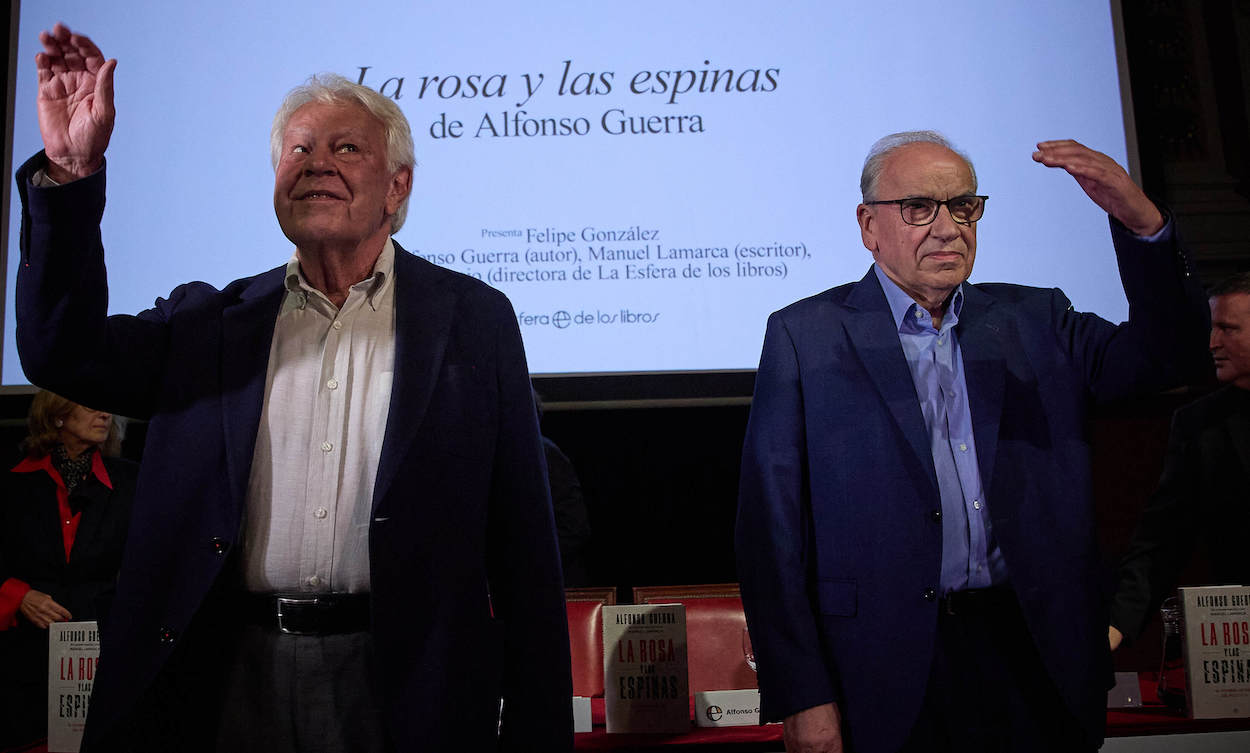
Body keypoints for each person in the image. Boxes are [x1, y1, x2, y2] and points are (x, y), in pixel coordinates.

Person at [15, 24, 571, 753]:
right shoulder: (208, 322)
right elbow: (62, 352)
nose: (316, 165)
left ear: (397, 186)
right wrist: (69, 173)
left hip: (407, 685)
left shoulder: (472, 321)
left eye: (346, 148)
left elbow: (525, 550)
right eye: (299, 149)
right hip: (224, 674)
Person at [735, 130, 1210, 753]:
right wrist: (802, 692)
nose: (946, 227)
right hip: (882, 666)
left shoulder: (1038, 321)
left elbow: (1171, 356)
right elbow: (770, 534)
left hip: (1033, 655)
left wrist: (1141, 223)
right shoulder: (806, 336)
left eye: (963, 207)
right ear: (868, 226)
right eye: (918, 208)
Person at [1109, 270, 1250, 650]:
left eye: (1228, 329)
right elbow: (1162, 540)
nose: (1212, 343)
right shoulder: (1200, 425)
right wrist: (1116, 627)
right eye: (1211, 328)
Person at [1, 392, 136, 748]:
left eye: (106, 405)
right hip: (23, 655)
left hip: (102, 653)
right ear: (58, 415)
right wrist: (19, 596)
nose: (104, 411)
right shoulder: (10, 480)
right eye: (90, 403)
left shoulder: (132, 482)